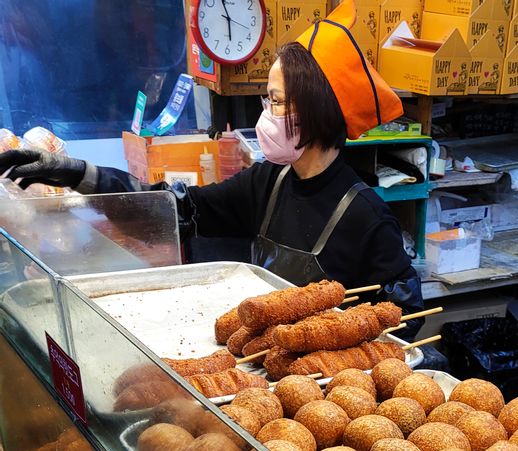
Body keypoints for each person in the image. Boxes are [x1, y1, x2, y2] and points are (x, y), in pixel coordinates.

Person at [0, 0, 424, 335]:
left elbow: (407, 316)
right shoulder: (270, 181)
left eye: (276, 101)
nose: (267, 114)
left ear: (315, 110)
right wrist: (79, 175)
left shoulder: (364, 217)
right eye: (267, 99)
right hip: (263, 363)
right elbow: (174, 208)